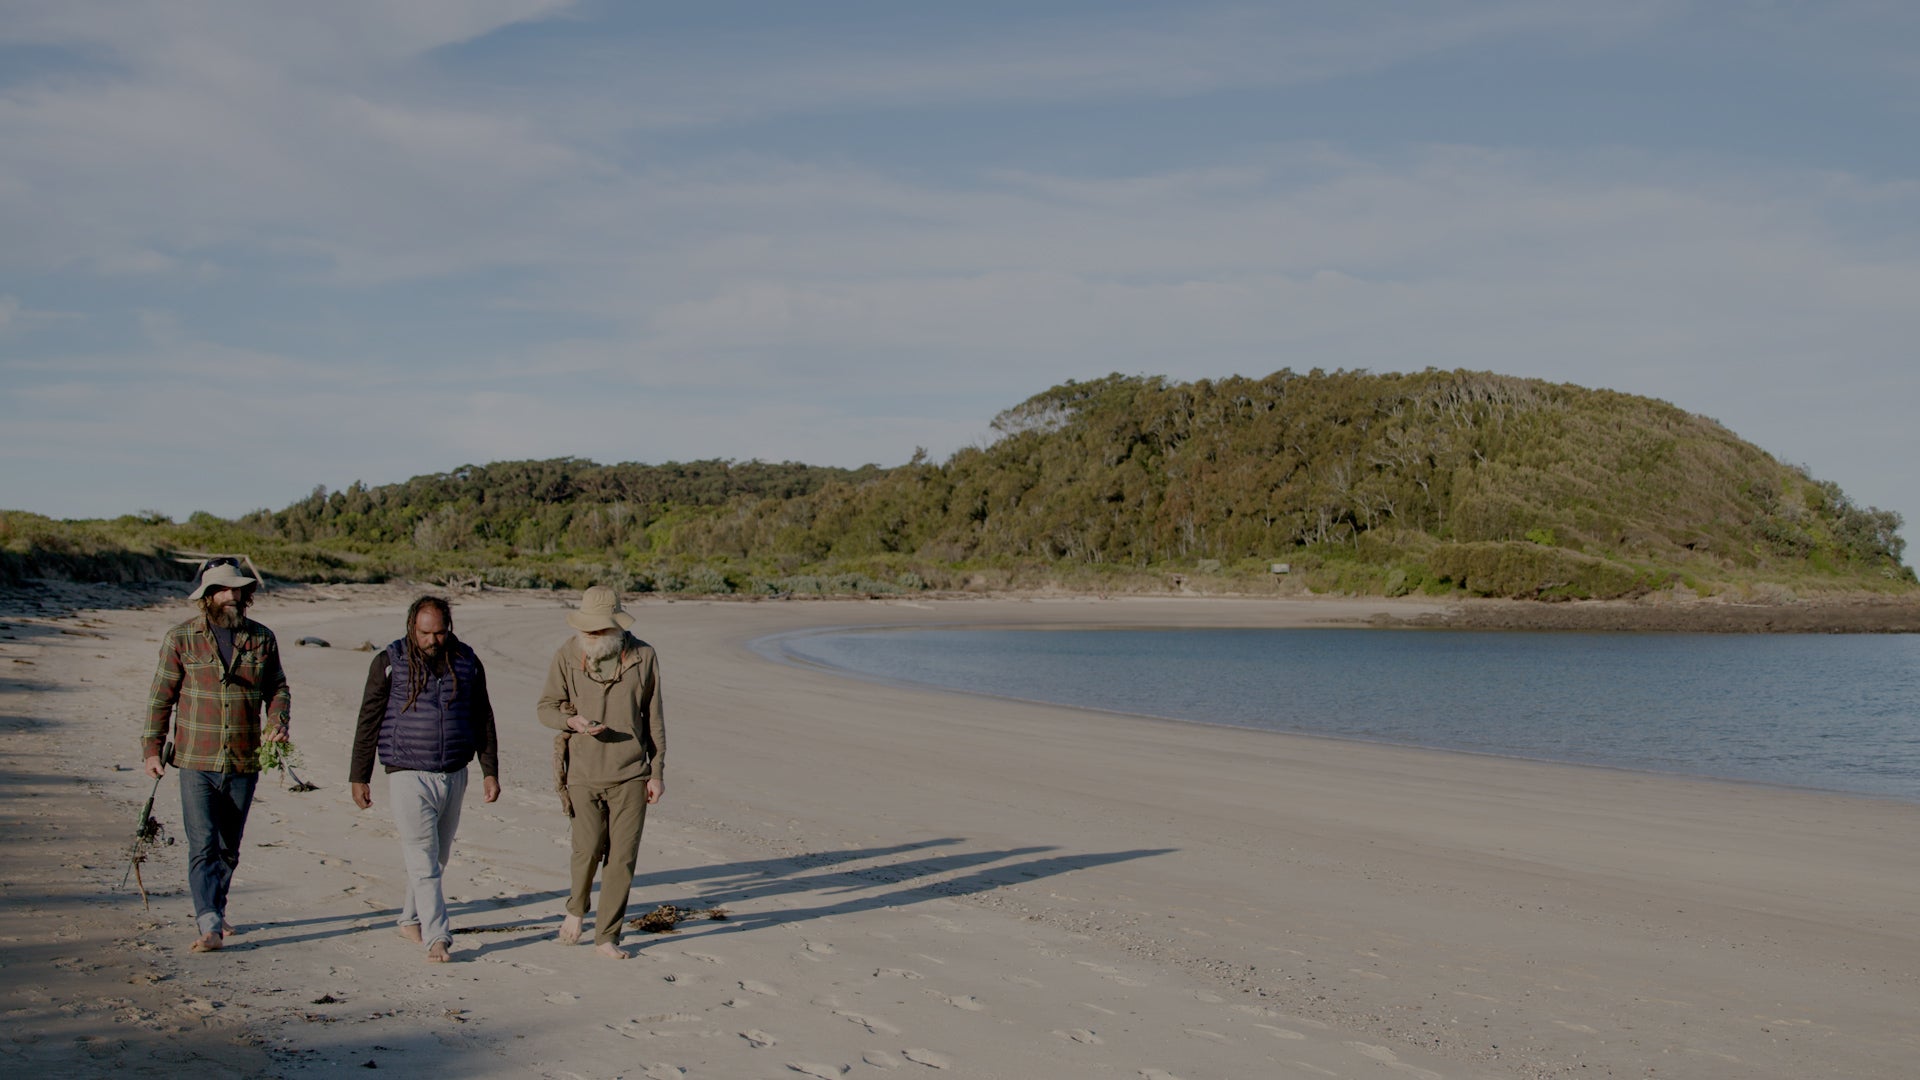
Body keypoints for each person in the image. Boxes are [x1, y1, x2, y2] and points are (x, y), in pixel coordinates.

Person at [141, 556, 291, 954]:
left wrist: (278, 720)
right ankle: (208, 922)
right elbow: (161, 699)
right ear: (206, 596)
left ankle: (216, 907)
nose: (230, 596)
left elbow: (277, 688)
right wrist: (151, 749)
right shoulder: (181, 638)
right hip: (195, 760)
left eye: (236, 589)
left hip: (244, 759)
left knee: (229, 846)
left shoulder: (262, 638)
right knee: (203, 843)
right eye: (221, 589)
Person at [349, 596, 501, 963]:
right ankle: (438, 936)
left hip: (454, 772)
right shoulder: (388, 662)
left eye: (440, 632)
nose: (433, 640)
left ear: (449, 628)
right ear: (411, 628)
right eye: (425, 633)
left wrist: (490, 769)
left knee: (438, 857)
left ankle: (408, 918)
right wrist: (359, 775)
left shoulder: (467, 661)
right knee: (421, 856)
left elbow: (483, 716)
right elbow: (368, 719)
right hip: (406, 773)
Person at [537, 586, 665, 959]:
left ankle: (607, 936)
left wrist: (656, 772)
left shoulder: (644, 656)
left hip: (631, 774)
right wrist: (571, 721)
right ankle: (576, 909)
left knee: (622, 859)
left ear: (615, 628)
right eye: (586, 628)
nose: (590, 634)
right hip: (582, 773)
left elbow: (654, 720)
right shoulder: (567, 653)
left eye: (598, 629)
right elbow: (544, 708)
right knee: (587, 849)